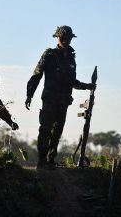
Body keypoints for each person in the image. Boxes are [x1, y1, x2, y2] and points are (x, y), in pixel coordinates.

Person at [25, 26, 95, 170]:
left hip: (63, 101)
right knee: (45, 129)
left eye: (68, 38)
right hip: (50, 99)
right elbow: (37, 74)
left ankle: (51, 160)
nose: (65, 40)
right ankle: (42, 161)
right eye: (62, 37)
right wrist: (29, 94)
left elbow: (72, 81)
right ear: (57, 38)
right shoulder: (49, 54)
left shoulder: (71, 58)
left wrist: (87, 86)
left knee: (57, 132)